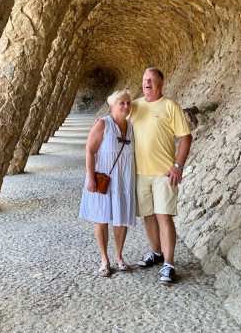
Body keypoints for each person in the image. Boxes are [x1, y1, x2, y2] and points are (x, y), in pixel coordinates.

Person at [130, 67, 192, 284]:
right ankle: (156, 253)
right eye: (145, 79)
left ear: (161, 84)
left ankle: (169, 263)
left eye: (152, 80)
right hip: (140, 172)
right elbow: (117, 120)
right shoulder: (135, 106)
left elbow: (186, 137)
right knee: (148, 215)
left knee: (164, 216)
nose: (148, 83)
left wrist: (178, 166)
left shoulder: (170, 106)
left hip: (164, 173)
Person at [80, 89, 136, 277]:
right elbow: (89, 150)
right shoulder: (103, 124)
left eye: (128, 103)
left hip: (124, 179)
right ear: (112, 105)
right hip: (103, 178)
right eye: (122, 103)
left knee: (121, 220)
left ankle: (119, 257)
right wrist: (90, 177)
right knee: (101, 218)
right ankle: (104, 260)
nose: (126, 106)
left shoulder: (132, 127)